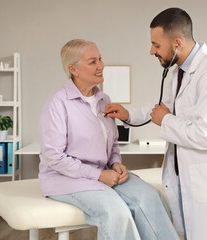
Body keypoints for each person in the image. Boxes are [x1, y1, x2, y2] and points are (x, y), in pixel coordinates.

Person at [104, 8, 207, 240]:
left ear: (177, 43)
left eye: (156, 45)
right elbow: (163, 106)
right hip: (187, 177)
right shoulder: (180, 72)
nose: (152, 51)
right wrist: (128, 115)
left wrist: (166, 120)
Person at [38, 39, 179, 240]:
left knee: (151, 197)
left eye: (100, 59)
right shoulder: (57, 104)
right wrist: (98, 175)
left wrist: (116, 163)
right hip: (65, 179)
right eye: (93, 61)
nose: (101, 65)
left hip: (104, 174)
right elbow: (54, 157)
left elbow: (112, 143)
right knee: (116, 214)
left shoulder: (104, 99)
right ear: (73, 69)